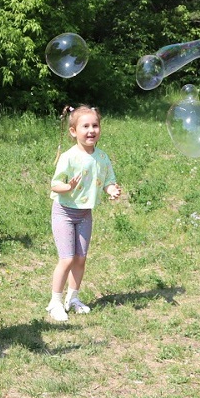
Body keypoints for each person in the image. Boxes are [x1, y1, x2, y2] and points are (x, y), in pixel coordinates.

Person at [46, 105, 121, 322]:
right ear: (73, 131)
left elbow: (107, 181)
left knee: (80, 259)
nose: (91, 130)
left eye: (95, 125)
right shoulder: (69, 157)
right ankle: (55, 302)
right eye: (85, 126)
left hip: (85, 214)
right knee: (67, 258)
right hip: (64, 213)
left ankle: (73, 298)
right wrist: (67, 187)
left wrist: (112, 190)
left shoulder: (102, 157)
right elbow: (54, 184)